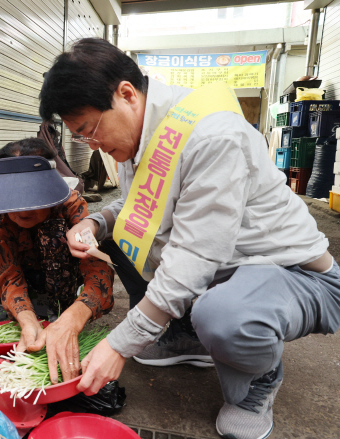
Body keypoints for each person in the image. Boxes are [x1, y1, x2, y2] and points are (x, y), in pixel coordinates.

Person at [39, 38, 340, 439]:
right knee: (117, 234)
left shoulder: (210, 135)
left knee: (223, 316)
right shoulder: (144, 133)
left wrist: (120, 344)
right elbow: (134, 207)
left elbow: (194, 256)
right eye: (81, 137)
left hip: (294, 275)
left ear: (126, 94)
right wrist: (95, 224)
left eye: (89, 129)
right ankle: (186, 337)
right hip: (228, 267)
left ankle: (257, 383)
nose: (92, 144)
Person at [0, 137, 115, 384]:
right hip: (24, 279)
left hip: (60, 283)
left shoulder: (72, 207)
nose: (23, 211)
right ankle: (19, 310)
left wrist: (73, 319)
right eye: (15, 200)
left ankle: (57, 313)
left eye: (32, 198)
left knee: (53, 233)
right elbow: (7, 272)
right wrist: (27, 318)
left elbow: (99, 274)